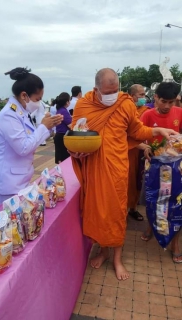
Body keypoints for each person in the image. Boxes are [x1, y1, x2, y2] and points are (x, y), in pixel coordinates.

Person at [69, 68, 178, 280]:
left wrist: (157, 131)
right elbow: (76, 134)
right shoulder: (84, 105)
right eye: (108, 92)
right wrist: (75, 149)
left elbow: (137, 131)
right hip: (94, 168)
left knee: (117, 214)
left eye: (116, 90)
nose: (113, 96)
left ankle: (117, 258)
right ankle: (103, 251)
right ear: (96, 89)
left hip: (117, 168)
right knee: (99, 212)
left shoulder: (125, 103)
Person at [0, 67, 63, 211]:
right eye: (37, 99)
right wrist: (43, 127)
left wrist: (48, 125)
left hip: (18, 180)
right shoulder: (9, 114)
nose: (39, 103)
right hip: (6, 184)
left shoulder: (22, 112)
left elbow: (32, 139)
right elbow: (23, 147)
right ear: (24, 95)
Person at [140, 82, 182, 263]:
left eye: (171, 102)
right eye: (163, 101)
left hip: (176, 167)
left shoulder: (180, 113)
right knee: (152, 200)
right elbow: (136, 139)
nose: (166, 106)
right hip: (154, 167)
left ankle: (175, 243)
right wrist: (145, 148)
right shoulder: (147, 115)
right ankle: (151, 227)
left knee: (176, 204)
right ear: (155, 97)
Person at [127, 84, 150, 221]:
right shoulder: (124, 111)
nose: (143, 98)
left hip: (142, 152)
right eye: (140, 95)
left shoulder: (146, 111)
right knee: (126, 181)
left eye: (144, 95)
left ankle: (133, 208)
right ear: (131, 96)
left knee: (137, 181)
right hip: (127, 151)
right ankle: (121, 209)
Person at [53, 92, 72, 164]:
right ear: (67, 102)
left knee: (60, 159)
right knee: (64, 160)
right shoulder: (64, 111)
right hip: (62, 137)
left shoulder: (60, 110)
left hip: (59, 137)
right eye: (69, 100)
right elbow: (70, 125)